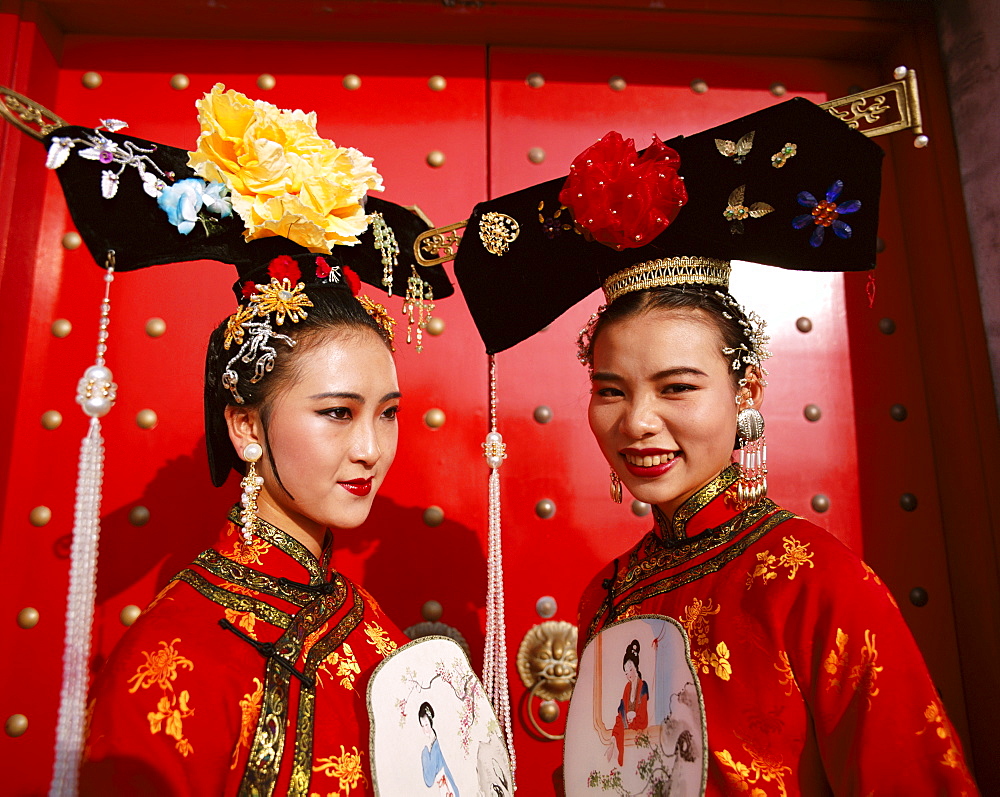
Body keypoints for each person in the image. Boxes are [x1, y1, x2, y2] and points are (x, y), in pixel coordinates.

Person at [437, 94, 980, 793]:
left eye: (677, 387)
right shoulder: (607, 591)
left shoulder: (817, 584)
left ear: (745, 389)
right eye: (611, 389)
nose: (636, 421)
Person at [23, 83, 452, 795]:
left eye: (389, 412)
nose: (373, 448)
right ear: (245, 424)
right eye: (338, 413)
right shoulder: (175, 660)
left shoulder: (370, 626)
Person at [607, 639, 649, 766]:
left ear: (636, 667)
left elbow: (643, 714)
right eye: (626, 672)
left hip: (639, 723)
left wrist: (634, 718)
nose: (629, 675)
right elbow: (622, 711)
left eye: (630, 670)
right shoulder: (627, 687)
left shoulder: (643, 686)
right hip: (628, 725)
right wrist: (615, 735)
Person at [419, 701, 461, 796]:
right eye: (422, 726)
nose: (425, 729)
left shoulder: (435, 746)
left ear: (431, 722)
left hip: (448, 788)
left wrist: (425, 754)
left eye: (426, 725)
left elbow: (429, 779)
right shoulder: (434, 744)